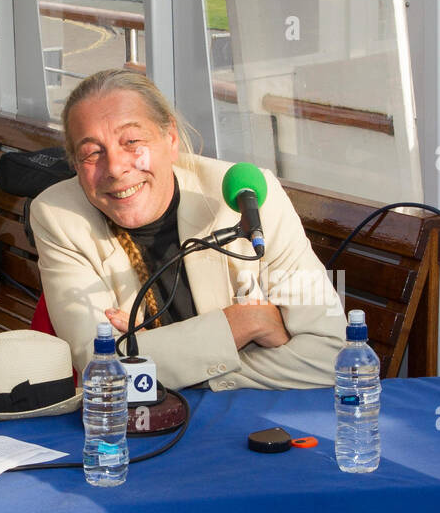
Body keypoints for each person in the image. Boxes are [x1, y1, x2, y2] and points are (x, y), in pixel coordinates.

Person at [31, 68, 344, 390]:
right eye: (92, 153)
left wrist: (159, 359)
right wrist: (244, 323)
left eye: (133, 142)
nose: (115, 168)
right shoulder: (58, 216)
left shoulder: (249, 197)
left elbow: (329, 358)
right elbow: (103, 372)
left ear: (170, 138)